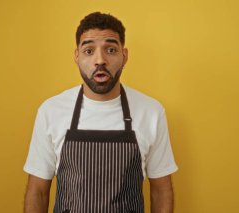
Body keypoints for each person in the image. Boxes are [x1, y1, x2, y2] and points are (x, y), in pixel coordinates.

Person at [23, 12, 178, 213]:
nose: (100, 60)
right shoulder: (51, 110)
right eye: (89, 51)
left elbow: (161, 191)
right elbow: (38, 191)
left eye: (111, 49)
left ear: (124, 56)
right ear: (76, 56)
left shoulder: (152, 112)